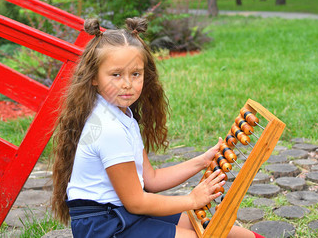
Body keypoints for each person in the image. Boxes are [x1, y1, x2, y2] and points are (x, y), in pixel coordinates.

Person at [51, 17, 260, 238]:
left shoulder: (123, 115)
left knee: (232, 233)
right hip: (105, 226)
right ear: (93, 77)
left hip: (122, 212)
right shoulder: (109, 128)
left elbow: (151, 179)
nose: (127, 84)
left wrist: (203, 161)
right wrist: (191, 200)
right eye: (115, 74)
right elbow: (137, 202)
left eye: (135, 74)